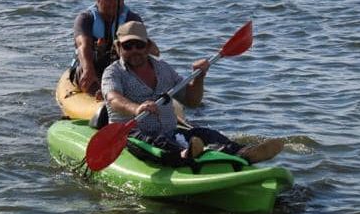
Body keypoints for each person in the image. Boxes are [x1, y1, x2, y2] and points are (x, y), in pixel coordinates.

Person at [101, 21, 284, 166]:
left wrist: (200, 77)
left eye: (139, 45)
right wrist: (136, 108)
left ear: (147, 46)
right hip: (131, 135)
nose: (134, 50)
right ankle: (185, 154)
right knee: (154, 141)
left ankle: (243, 153)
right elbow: (113, 98)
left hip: (170, 132)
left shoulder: (164, 69)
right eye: (128, 46)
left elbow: (192, 101)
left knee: (206, 133)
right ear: (118, 48)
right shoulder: (113, 72)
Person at [71, 0, 157, 96]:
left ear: (123, 0)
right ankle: (100, 94)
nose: (113, 3)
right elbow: (83, 45)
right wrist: (88, 69)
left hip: (119, 67)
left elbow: (142, 49)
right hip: (92, 65)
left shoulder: (132, 19)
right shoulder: (85, 19)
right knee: (86, 70)